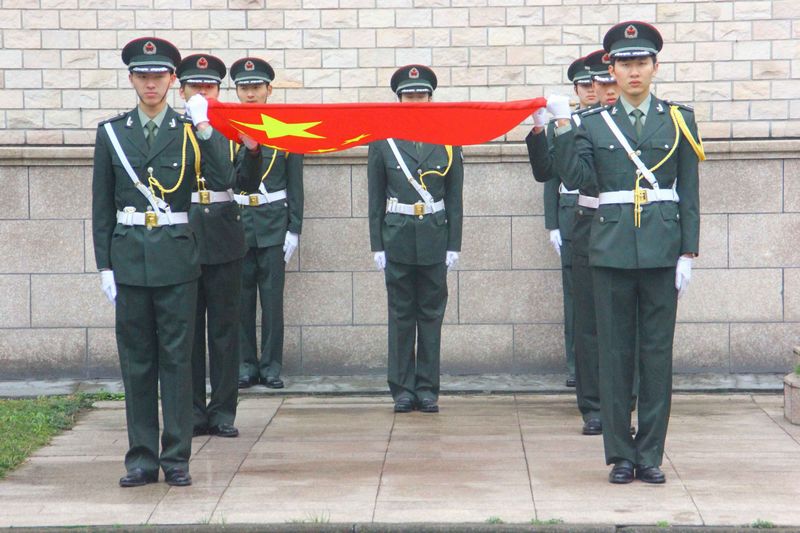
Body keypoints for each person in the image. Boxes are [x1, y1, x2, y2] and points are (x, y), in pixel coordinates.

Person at [549, 21, 703, 484]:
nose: (634, 71)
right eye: (625, 64)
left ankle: (650, 453)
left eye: (641, 62)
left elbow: (689, 191)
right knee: (614, 355)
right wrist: (561, 127)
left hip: (661, 249)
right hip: (610, 249)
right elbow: (578, 179)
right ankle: (620, 454)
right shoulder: (594, 123)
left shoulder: (678, 119)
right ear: (611, 71)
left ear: (655, 67)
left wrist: (688, 252)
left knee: (656, 355)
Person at [92, 37, 225, 487]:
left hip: (176, 259)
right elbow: (101, 207)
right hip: (129, 258)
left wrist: (205, 127)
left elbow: (224, 178)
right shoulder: (112, 133)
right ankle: (142, 458)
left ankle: (177, 457)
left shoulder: (188, 130)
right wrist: (104, 266)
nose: (151, 83)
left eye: (159, 76)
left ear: (172, 80)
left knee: (177, 361)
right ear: (132, 79)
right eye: (142, 76)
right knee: (137, 363)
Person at [367, 64, 464, 414]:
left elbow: (455, 198)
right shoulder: (384, 140)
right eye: (409, 96)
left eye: (421, 95)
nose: (415, 101)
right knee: (401, 316)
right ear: (398, 99)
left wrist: (454, 244)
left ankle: (427, 388)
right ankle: (402, 389)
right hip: (398, 236)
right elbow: (375, 198)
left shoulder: (448, 139)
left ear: (431, 98)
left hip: (435, 237)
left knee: (431, 316)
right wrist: (377, 245)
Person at [175, 54, 261, 438]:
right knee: (189, 333)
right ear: (182, 91)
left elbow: (238, 182)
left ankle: (223, 411)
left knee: (225, 331)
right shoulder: (173, 129)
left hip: (225, 236)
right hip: (185, 236)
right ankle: (193, 411)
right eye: (195, 87)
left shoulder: (227, 129)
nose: (202, 93)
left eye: (209, 87)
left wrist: (253, 152)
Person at [231, 57, 304, 390]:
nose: (250, 94)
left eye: (256, 87)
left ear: (269, 90)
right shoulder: (228, 128)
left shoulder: (284, 128)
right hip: (238, 225)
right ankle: (245, 365)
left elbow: (295, 183)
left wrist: (294, 228)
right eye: (244, 88)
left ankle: (272, 366)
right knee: (241, 301)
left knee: (272, 302)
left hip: (274, 224)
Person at [527, 55, 597, 390]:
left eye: (597, 84)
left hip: (605, 211)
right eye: (585, 85)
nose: (592, 90)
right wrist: (552, 223)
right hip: (571, 212)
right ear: (576, 90)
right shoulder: (563, 123)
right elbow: (551, 176)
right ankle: (576, 366)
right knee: (575, 298)